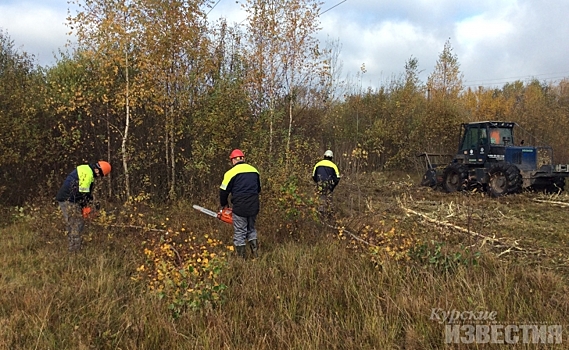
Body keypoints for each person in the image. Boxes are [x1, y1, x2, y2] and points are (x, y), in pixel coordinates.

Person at [56, 161, 111, 252]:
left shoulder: (85, 168)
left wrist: (91, 201)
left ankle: (73, 248)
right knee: (77, 224)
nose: (99, 177)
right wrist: (86, 207)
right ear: (97, 171)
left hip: (66, 198)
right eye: (100, 175)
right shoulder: (88, 175)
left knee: (72, 224)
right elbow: (83, 194)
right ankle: (74, 251)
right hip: (69, 200)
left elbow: (83, 192)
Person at [219, 149, 261, 259]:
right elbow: (258, 189)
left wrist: (224, 204)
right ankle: (255, 255)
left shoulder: (230, 173)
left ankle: (241, 260)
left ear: (233, 160)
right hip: (254, 205)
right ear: (243, 158)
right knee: (251, 229)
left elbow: (223, 191)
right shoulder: (254, 170)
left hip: (240, 207)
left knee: (240, 232)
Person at [312, 150, 341, 215]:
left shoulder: (318, 164)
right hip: (329, 184)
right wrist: (332, 187)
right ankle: (328, 214)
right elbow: (337, 178)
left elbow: (313, 176)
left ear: (324, 156)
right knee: (329, 199)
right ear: (331, 157)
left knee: (321, 197)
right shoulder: (334, 166)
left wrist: (318, 182)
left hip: (320, 183)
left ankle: (320, 213)